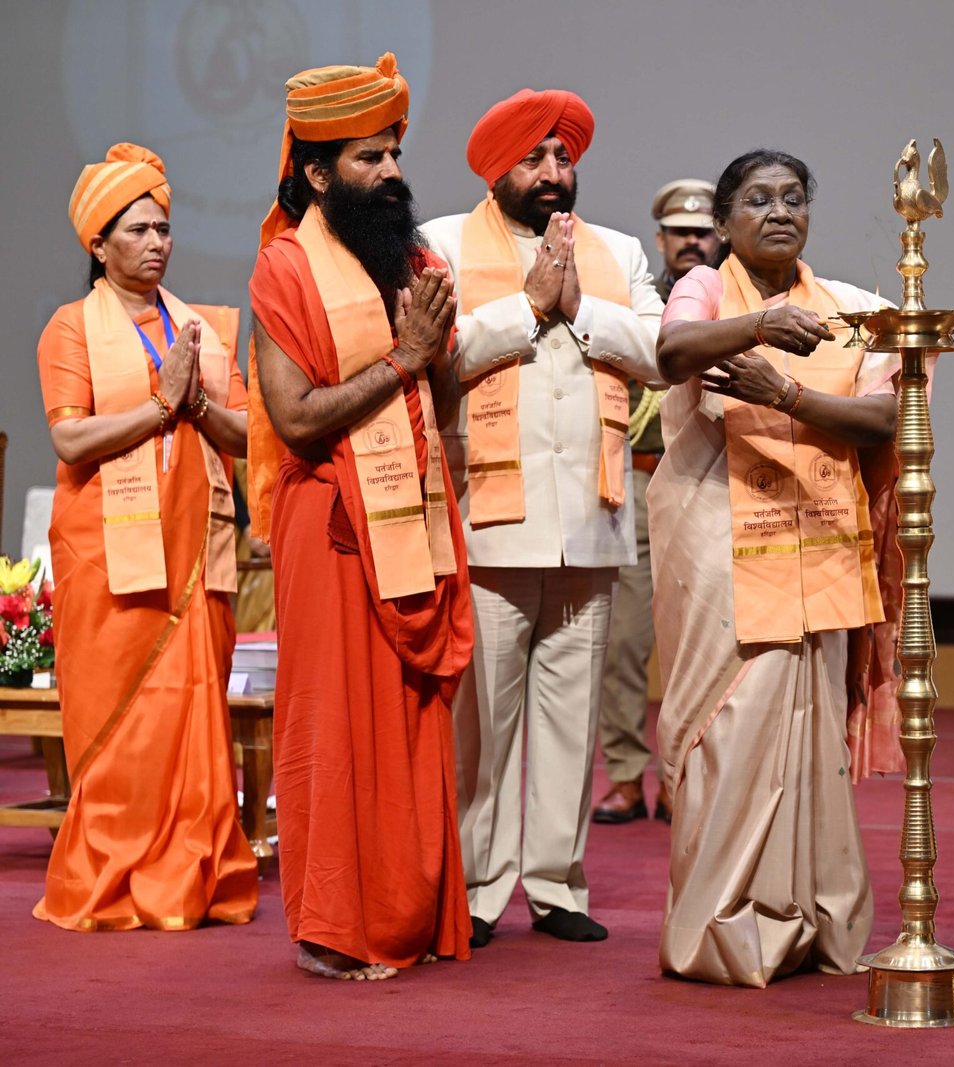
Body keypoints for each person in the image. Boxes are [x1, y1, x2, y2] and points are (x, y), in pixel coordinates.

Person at [651, 149, 901, 987]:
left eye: (794, 197)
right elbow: (675, 352)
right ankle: (719, 926)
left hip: (816, 548)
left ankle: (809, 918)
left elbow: (879, 418)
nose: (779, 212)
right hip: (718, 544)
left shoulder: (849, 309)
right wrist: (757, 327)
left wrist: (787, 394)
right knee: (731, 723)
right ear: (722, 224)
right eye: (757, 200)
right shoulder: (703, 290)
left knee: (805, 730)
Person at [249, 53, 475, 981]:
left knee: (412, 719)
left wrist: (444, 354)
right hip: (329, 524)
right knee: (335, 725)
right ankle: (336, 925)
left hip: (415, 519)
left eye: (393, 155)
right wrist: (407, 357)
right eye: (367, 160)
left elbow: (445, 393)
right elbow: (297, 416)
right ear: (314, 173)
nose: (391, 174)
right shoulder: (283, 267)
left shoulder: (417, 258)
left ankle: (409, 913)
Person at [420, 89, 663, 948]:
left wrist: (577, 309)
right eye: (536, 160)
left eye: (564, 159)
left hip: (591, 520)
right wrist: (524, 307)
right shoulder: (443, 243)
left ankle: (556, 883)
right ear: (499, 170)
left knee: (571, 713)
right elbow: (433, 360)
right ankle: (482, 889)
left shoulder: (619, 251)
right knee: (484, 718)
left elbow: (659, 355)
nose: (555, 175)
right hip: (489, 523)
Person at [33, 144, 257, 933]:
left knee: (192, 709)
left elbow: (246, 437)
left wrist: (193, 405)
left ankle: (191, 875)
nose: (158, 243)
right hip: (106, 553)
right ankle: (112, 875)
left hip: (196, 550)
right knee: (119, 723)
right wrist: (161, 407)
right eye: (138, 230)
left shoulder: (204, 326)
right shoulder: (69, 329)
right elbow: (70, 440)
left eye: (164, 228)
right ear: (98, 244)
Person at [593, 178, 721, 826]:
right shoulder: (638, 305)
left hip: (710, 480)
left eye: (703, 231)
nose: (693, 241)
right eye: (681, 232)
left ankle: (681, 773)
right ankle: (622, 773)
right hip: (639, 481)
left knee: (697, 640)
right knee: (624, 641)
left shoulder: (732, 300)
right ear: (661, 240)